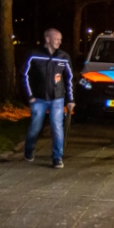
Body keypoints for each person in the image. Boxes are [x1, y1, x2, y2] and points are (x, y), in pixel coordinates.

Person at [23, 28, 75, 168]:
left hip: (57, 98)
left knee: (57, 127)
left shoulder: (64, 57)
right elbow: (24, 75)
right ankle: (29, 148)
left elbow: (69, 78)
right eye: (56, 39)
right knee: (35, 127)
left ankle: (57, 157)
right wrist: (30, 96)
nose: (59, 42)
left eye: (60, 39)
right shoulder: (34, 55)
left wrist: (70, 99)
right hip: (38, 98)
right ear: (47, 39)